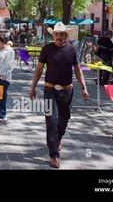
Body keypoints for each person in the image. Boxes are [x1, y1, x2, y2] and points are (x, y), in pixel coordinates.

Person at [29, 22, 89, 169]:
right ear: (53, 35)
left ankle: (58, 139)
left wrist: (84, 88)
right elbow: (38, 69)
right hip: (50, 90)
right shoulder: (47, 49)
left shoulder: (72, 50)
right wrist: (33, 87)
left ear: (66, 35)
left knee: (64, 119)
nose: (59, 37)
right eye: (56, 34)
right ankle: (54, 155)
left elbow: (78, 70)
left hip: (67, 90)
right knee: (51, 121)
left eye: (62, 34)